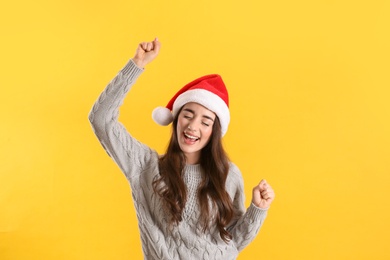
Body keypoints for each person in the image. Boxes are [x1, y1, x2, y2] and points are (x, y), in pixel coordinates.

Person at [89, 38, 275, 260]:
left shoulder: (228, 174)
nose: (193, 126)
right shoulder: (145, 166)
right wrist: (137, 63)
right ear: (176, 119)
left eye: (205, 122)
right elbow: (101, 119)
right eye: (188, 115)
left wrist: (257, 209)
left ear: (213, 131)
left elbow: (233, 241)